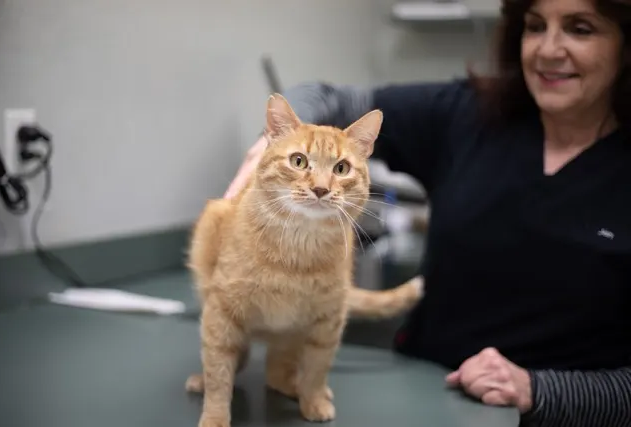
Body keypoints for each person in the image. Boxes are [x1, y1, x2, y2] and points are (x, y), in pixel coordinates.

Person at [224, 0, 631, 425]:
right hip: (422, 399)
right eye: (534, 26)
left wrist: (540, 391)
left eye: (580, 29)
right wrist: (272, 145)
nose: (548, 49)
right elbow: (328, 98)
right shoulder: (470, 114)